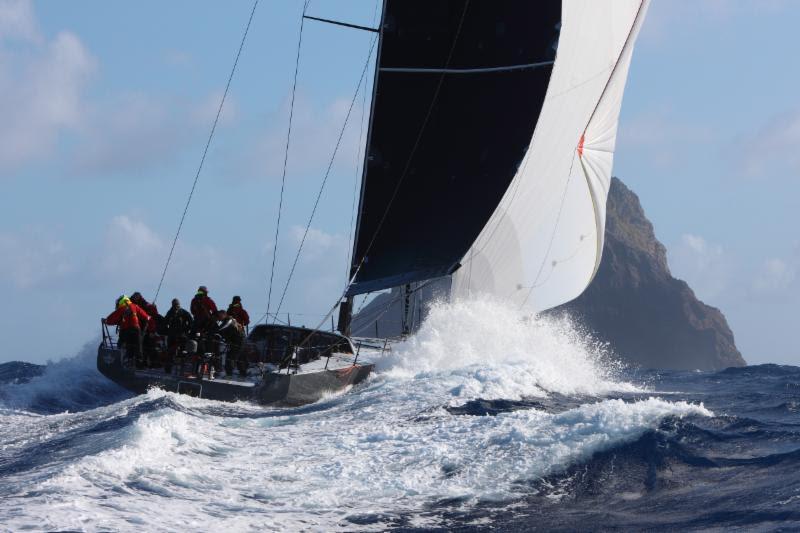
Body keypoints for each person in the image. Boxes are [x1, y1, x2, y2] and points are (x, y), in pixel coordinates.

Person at [104, 295, 151, 368]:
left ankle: (124, 361)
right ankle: (139, 364)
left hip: (126, 330)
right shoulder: (135, 306)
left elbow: (112, 318)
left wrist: (106, 321)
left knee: (124, 345)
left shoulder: (122, 308)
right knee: (138, 347)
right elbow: (146, 317)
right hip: (136, 329)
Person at [209, 310, 246, 377]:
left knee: (231, 357)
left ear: (224, 315)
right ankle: (242, 373)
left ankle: (230, 374)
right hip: (235, 341)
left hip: (239, 341)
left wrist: (214, 333)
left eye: (219, 316)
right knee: (237, 357)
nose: (218, 318)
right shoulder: (226, 321)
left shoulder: (230, 320)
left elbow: (223, 328)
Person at [131, 292, 162, 367]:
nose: (136, 298)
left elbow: (152, 318)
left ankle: (150, 364)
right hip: (135, 329)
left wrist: (152, 331)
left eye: (138, 297)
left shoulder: (145, 305)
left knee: (148, 346)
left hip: (145, 329)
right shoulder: (130, 304)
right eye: (135, 297)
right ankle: (137, 363)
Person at [164, 298, 193, 374]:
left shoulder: (184, 312)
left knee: (183, 352)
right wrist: (168, 330)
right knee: (170, 352)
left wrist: (186, 330)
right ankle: (168, 369)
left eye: (177, 305)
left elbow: (191, 322)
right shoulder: (169, 313)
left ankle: (182, 370)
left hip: (182, 335)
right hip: (172, 335)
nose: (176, 306)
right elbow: (165, 322)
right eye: (175, 305)